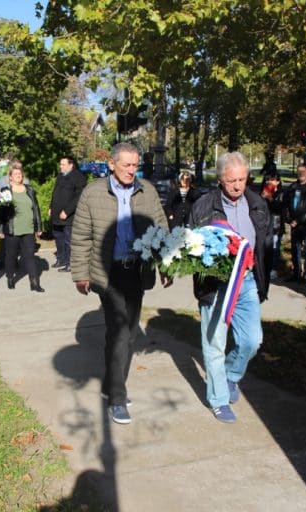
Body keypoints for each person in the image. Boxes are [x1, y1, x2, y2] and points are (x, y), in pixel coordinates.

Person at [71, 142, 171, 425]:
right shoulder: (93, 193)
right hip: (107, 272)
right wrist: (81, 273)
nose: (132, 170)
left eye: (135, 164)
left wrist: (165, 264)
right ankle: (117, 398)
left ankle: (110, 384)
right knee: (118, 333)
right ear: (112, 164)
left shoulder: (146, 191)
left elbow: (161, 228)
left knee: (129, 335)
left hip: (137, 272)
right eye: (126, 164)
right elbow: (81, 236)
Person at [189, 151, 270, 423]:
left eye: (242, 179)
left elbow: (264, 242)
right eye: (231, 180)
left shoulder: (257, 203)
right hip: (215, 284)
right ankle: (219, 399)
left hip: (246, 282)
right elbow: (190, 246)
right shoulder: (202, 207)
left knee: (252, 340)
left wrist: (263, 276)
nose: (238, 186)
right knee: (214, 344)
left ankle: (231, 374)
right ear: (220, 179)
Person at [0, 161, 44, 292]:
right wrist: (0, 229)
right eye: (15, 174)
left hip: (28, 229)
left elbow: (36, 209)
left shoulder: (29, 189)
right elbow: (1, 212)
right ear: (10, 176)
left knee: (30, 256)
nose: (18, 175)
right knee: (11, 256)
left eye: (20, 173)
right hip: (13, 230)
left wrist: (39, 227)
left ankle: (34, 283)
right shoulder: (6, 191)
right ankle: (10, 278)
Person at [282, 163, 306, 282]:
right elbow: (286, 204)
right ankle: (296, 273)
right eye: (299, 172)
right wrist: (289, 219)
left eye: (303, 172)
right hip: (294, 224)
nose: (300, 175)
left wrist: (298, 221)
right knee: (295, 250)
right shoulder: (293, 187)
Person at [49, 155, 87, 272]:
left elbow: (78, 196)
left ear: (71, 165)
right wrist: (51, 206)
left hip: (69, 215)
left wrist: (67, 211)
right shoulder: (60, 176)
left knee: (68, 239)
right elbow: (55, 192)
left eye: (63, 164)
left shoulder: (78, 177)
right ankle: (61, 259)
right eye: (60, 164)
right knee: (58, 236)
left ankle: (70, 263)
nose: (60, 166)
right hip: (56, 213)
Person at [261, 171, 284, 280]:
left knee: (275, 246)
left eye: (273, 180)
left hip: (276, 222)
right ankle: (265, 266)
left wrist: (270, 198)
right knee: (265, 245)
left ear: (278, 182)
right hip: (265, 221)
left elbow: (279, 208)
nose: (270, 182)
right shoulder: (263, 190)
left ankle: (274, 269)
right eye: (268, 179)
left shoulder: (280, 193)